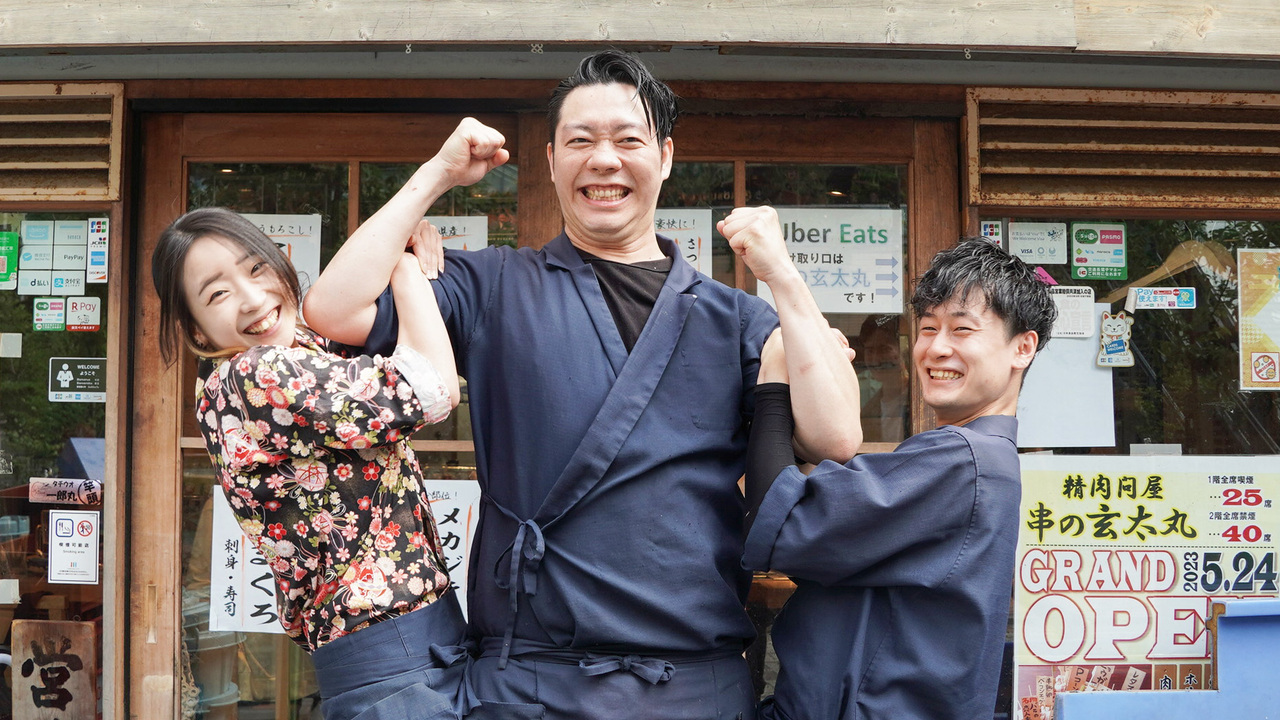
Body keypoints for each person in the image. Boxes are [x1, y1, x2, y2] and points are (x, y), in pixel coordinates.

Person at [303, 51, 860, 719]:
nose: (604, 160)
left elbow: (836, 437)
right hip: (530, 680)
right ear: (549, 160)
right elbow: (332, 309)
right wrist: (437, 174)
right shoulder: (494, 285)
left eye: (628, 140)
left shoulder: (737, 317)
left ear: (666, 157)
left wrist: (785, 278)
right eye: (581, 141)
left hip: (693, 682)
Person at [152, 207, 476, 720]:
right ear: (196, 332)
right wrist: (407, 268)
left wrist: (402, 237)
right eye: (217, 293)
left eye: (256, 268)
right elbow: (432, 388)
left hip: (394, 649)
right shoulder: (258, 373)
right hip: (392, 656)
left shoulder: (296, 358)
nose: (254, 298)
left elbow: (341, 304)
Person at [741, 237, 1055, 720]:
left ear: (1023, 347)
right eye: (927, 329)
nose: (937, 348)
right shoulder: (976, 460)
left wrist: (776, 380)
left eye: (962, 330)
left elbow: (784, 524)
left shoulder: (964, 461)